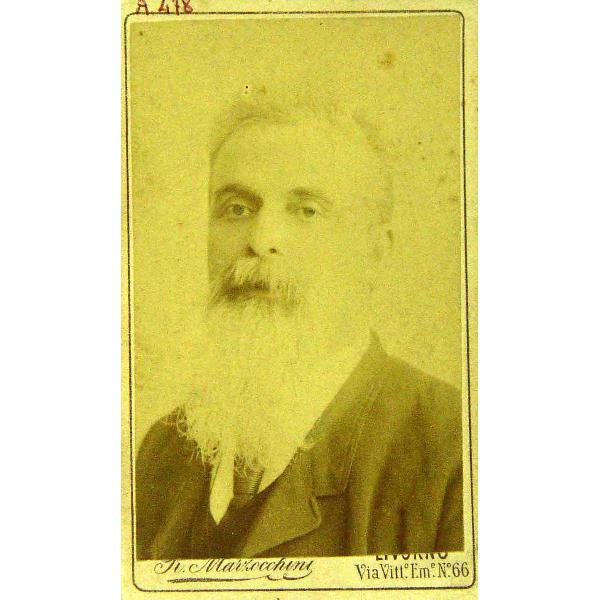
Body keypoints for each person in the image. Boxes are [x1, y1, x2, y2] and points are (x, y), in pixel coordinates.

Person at [135, 100, 463, 559]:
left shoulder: (453, 446)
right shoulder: (163, 452)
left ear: (375, 252)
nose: (261, 239)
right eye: (236, 208)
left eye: (307, 211)